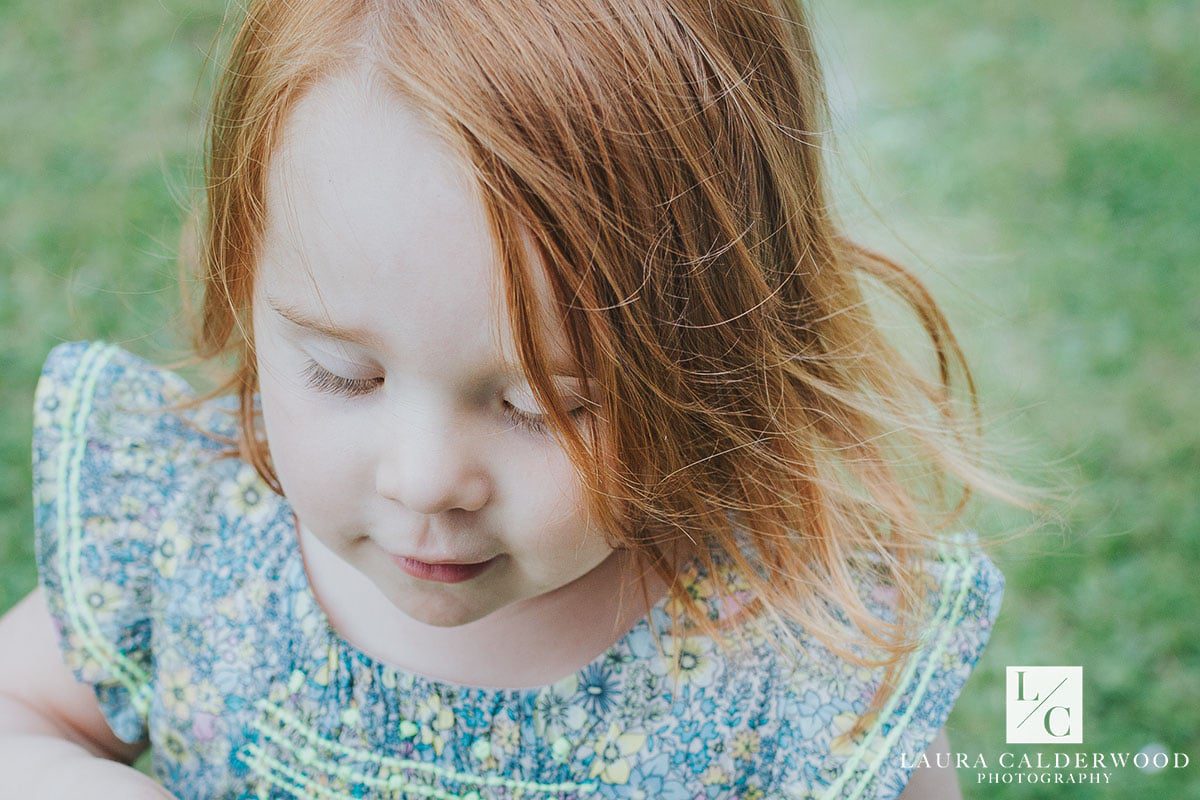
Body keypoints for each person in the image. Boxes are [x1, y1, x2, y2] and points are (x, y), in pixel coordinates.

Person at [0, 0, 1012, 797]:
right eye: (342, 374)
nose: (427, 476)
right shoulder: (189, 540)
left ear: (721, 350)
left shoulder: (798, 667)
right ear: (243, 273)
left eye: (543, 402)